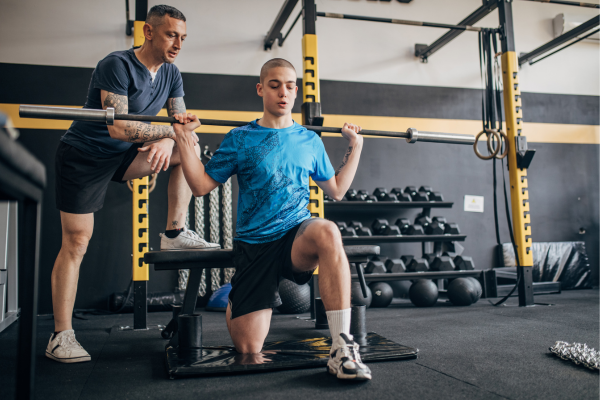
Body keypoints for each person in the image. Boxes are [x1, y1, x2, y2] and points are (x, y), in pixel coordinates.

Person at [171, 58, 372, 380]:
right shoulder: (240, 138)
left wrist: (356, 146)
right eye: (275, 85)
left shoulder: (309, 140)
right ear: (260, 89)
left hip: (296, 234)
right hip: (255, 245)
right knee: (248, 349)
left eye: (290, 86)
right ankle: (239, 298)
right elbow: (200, 186)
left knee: (327, 230)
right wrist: (182, 137)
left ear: (296, 92)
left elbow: (336, 190)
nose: (284, 92)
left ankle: (342, 347)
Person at [46, 5, 219, 364]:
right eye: (172, 34)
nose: (178, 44)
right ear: (149, 31)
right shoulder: (117, 64)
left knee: (188, 150)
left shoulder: (172, 74)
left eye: (183, 38)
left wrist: (172, 140)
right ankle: (60, 336)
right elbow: (119, 127)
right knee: (77, 242)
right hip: (83, 155)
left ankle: (174, 232)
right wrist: (172, 132)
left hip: (124, 156)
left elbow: (182, 125)